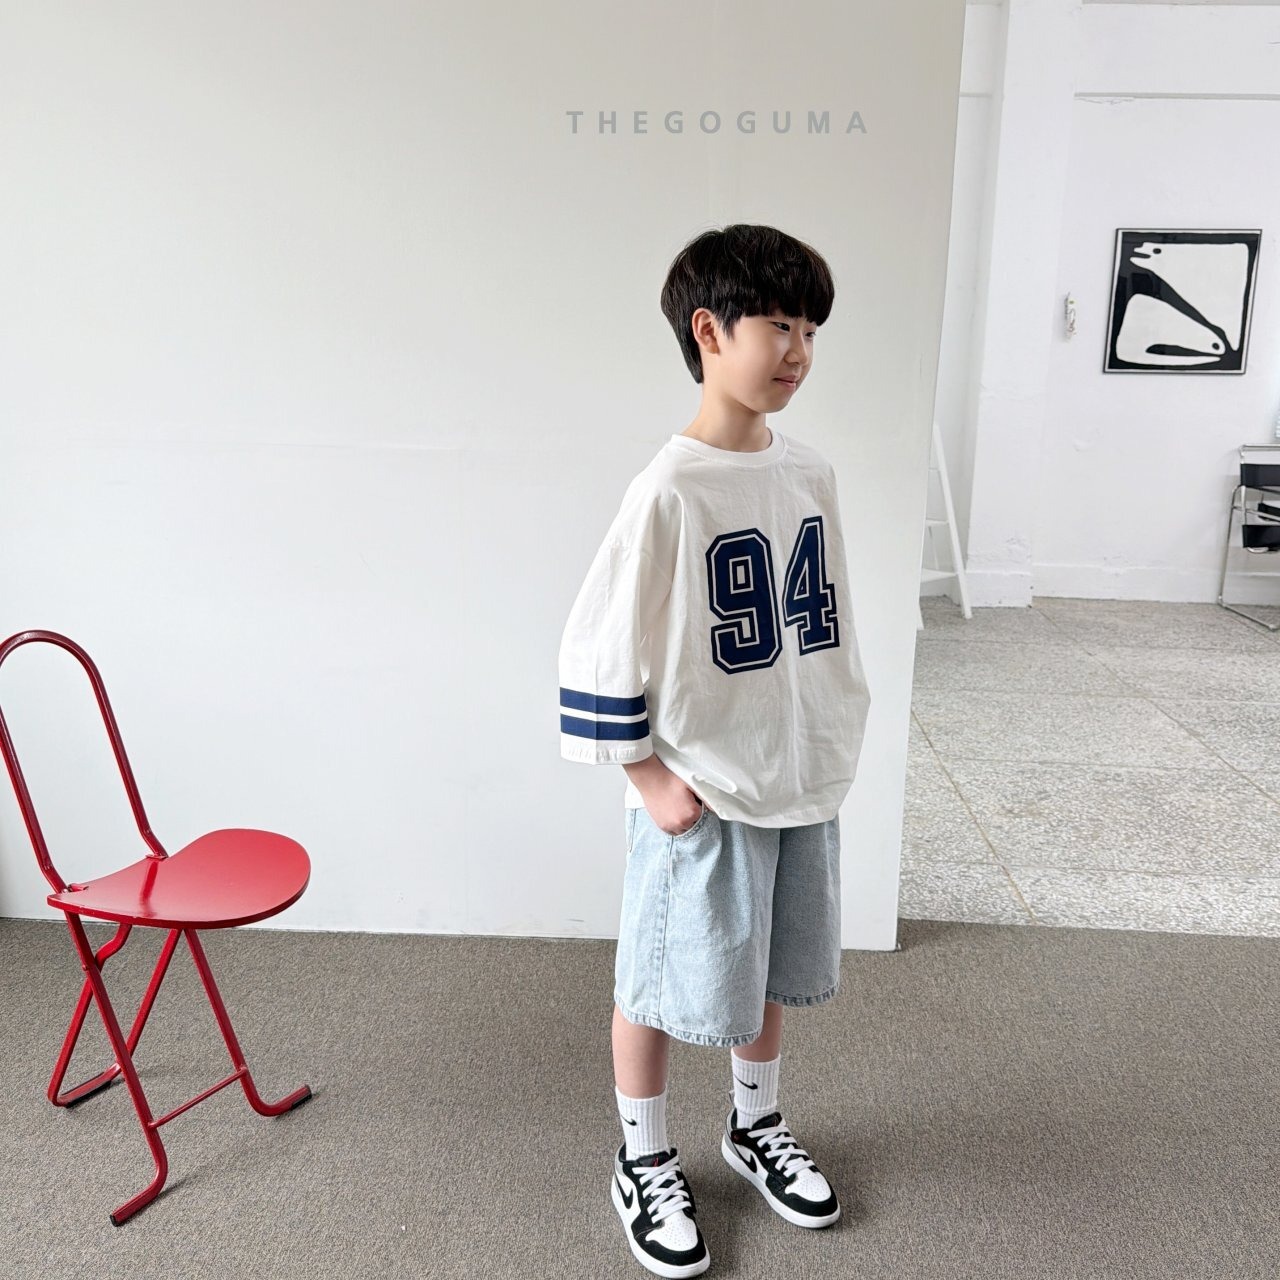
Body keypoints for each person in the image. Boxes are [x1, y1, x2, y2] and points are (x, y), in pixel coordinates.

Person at [557, 223, 873, 1277]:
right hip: (702, 782)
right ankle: (642, 1154)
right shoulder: (670, 487)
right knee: (654, 977)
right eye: (777, 325)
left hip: (793, 771)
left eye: (809, 329)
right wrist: (648, 774)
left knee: (765, 963)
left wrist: (829, 735)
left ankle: (754, 1124)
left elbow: (823, 623)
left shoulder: (810, 472)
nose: (797, 350)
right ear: (708, 331)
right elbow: (600, 637)